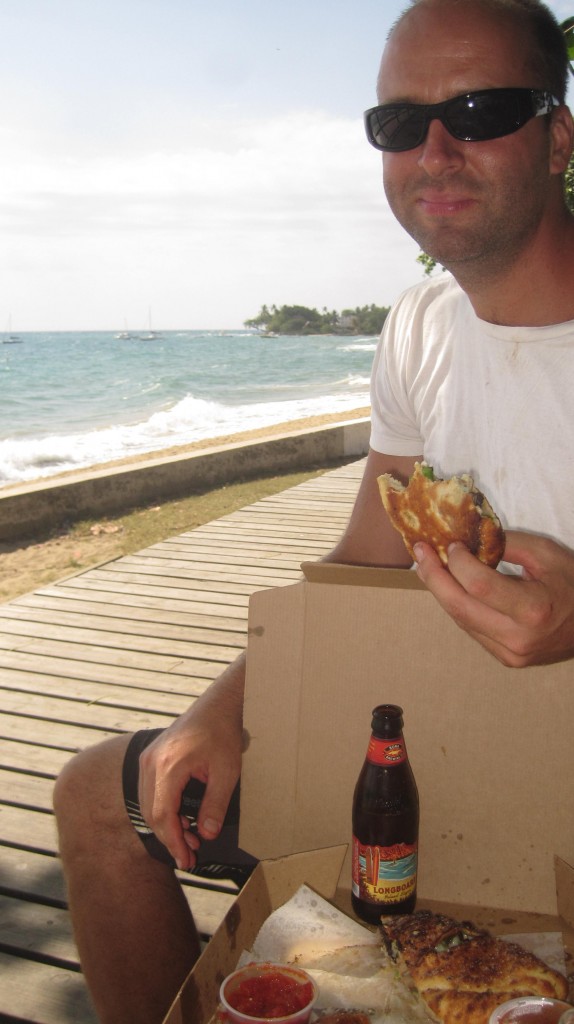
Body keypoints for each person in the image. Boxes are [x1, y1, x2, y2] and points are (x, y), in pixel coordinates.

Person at [53, 0, 574, 1020]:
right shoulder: (420, 323)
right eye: (397, 123)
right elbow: (365, 558)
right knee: (98, 798)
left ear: (557, 134)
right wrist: (225, 708)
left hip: (548, 788)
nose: (433, 150)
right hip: (414, 749)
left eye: (479, 109)